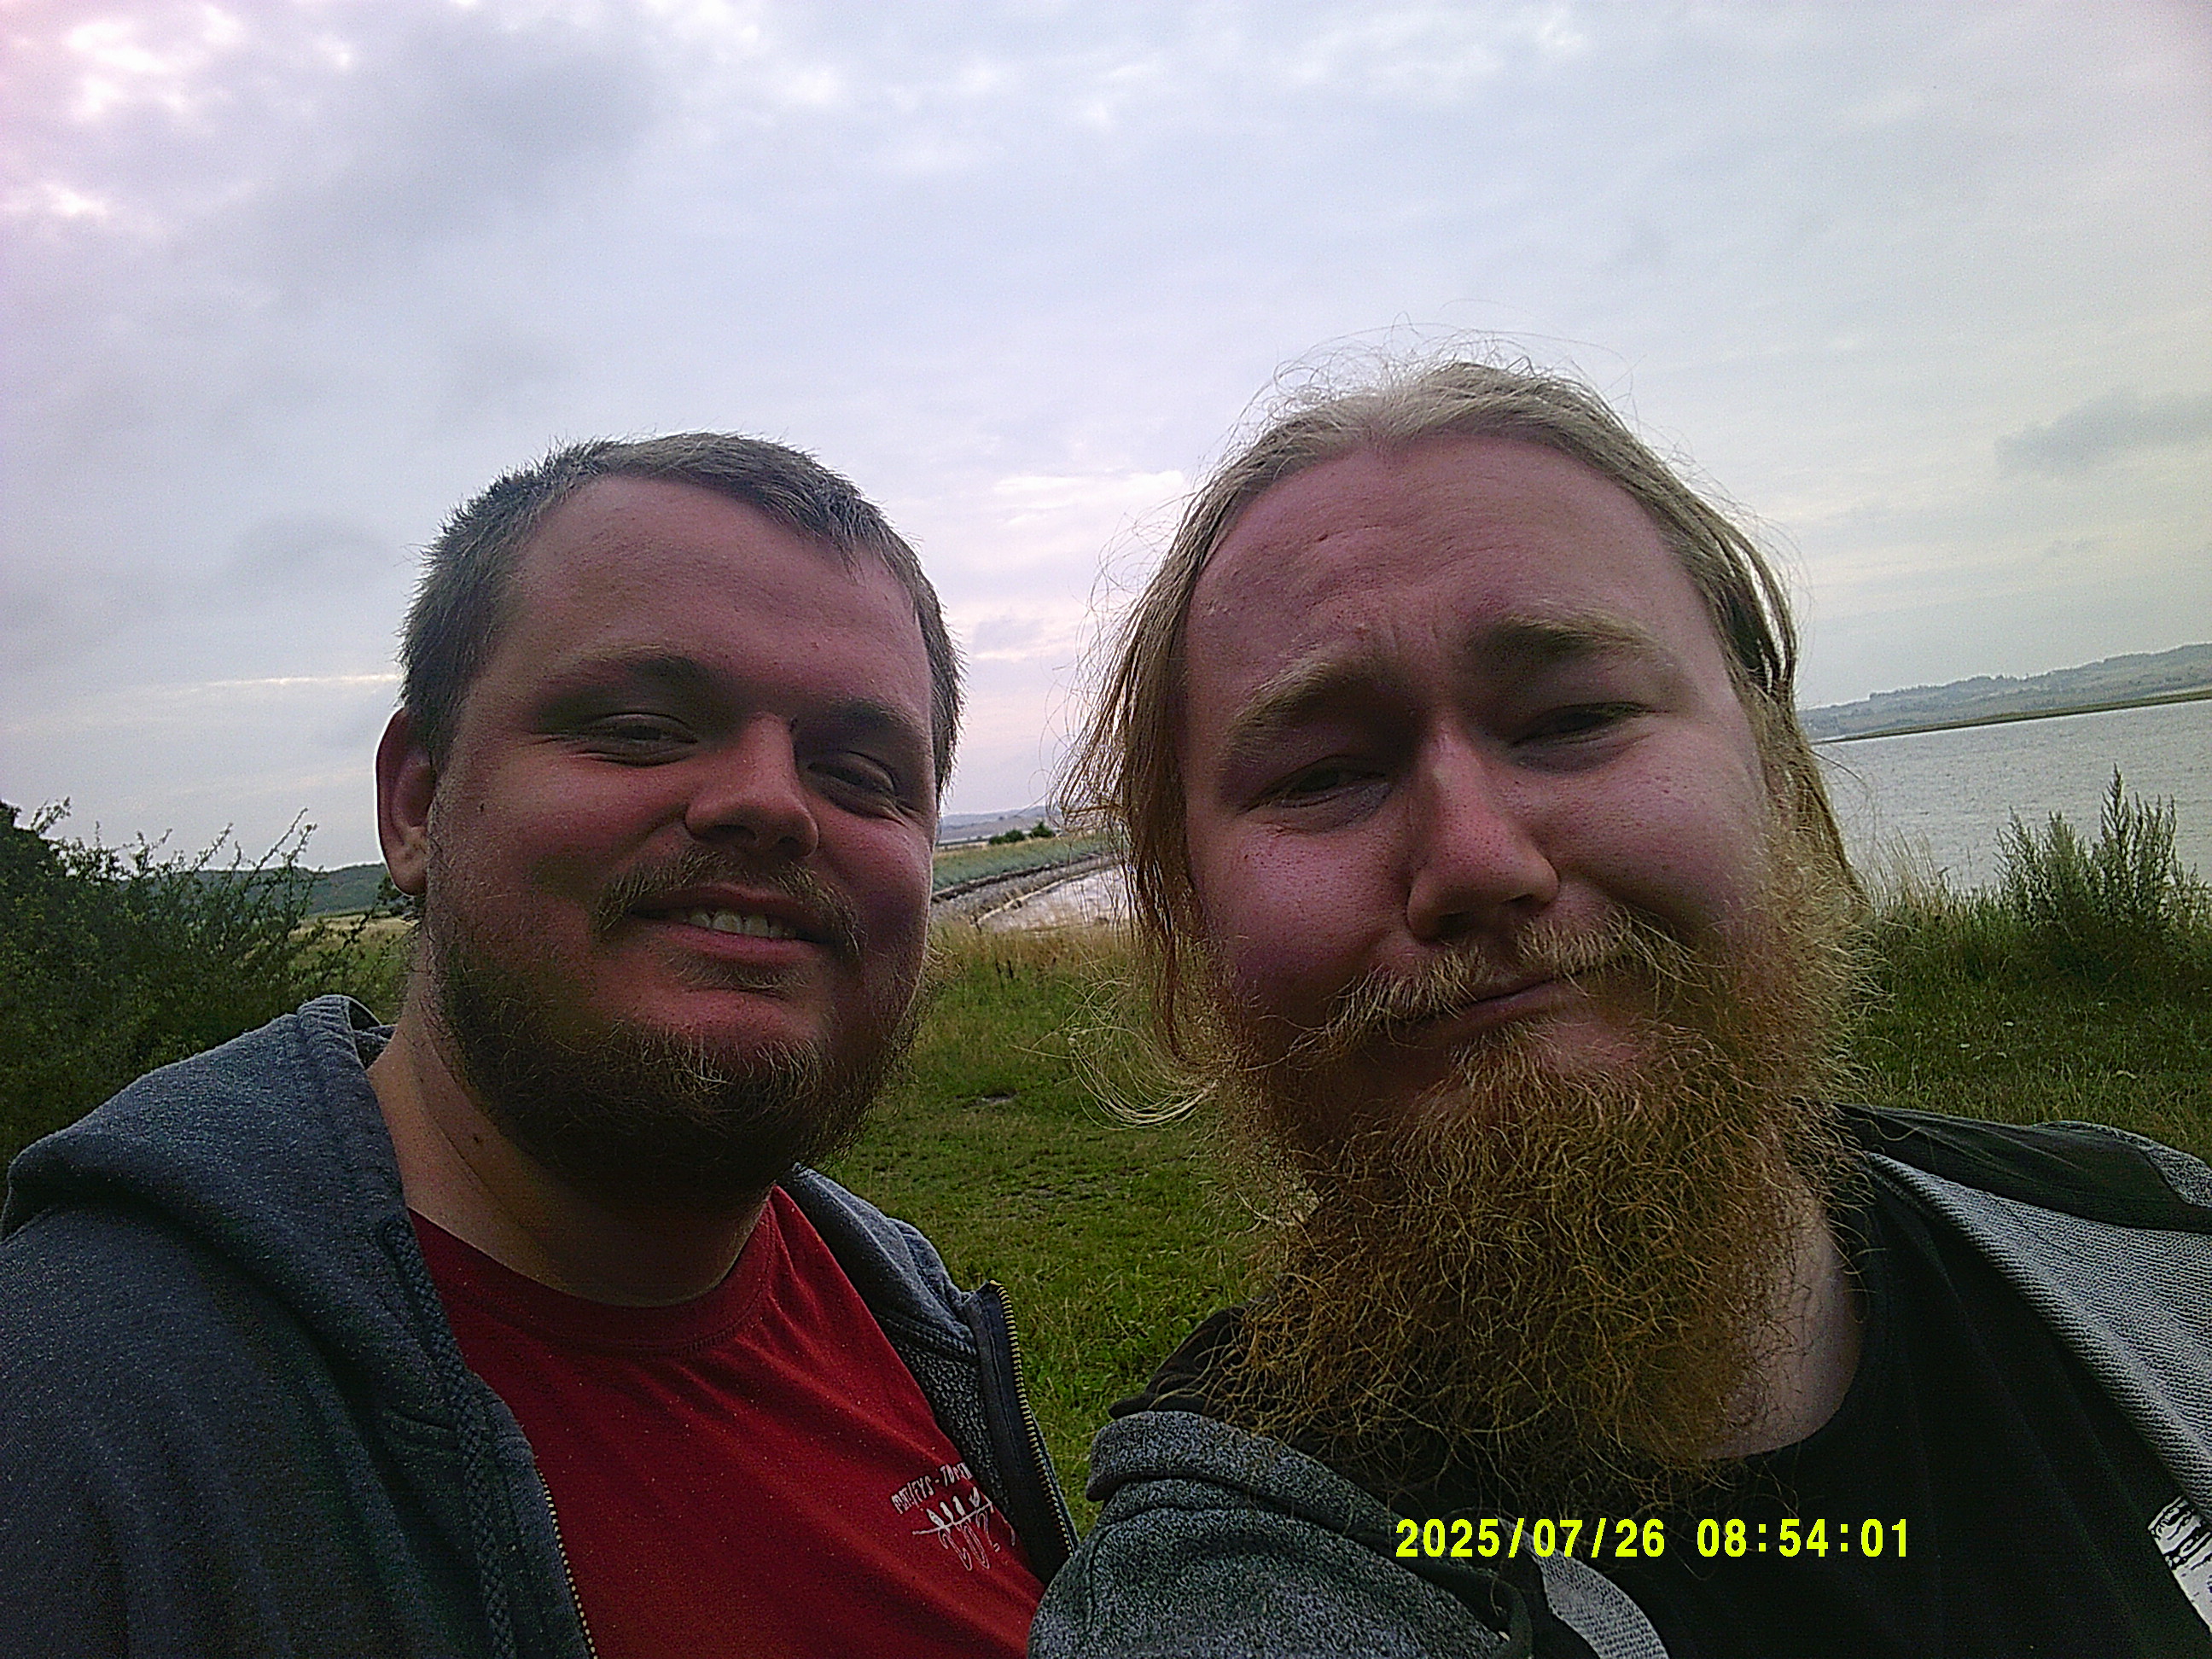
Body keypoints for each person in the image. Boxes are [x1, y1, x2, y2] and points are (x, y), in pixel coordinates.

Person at [1031, 361, 2212, 1658]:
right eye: (1321, 775)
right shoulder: (1224, 1594)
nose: (1477, 858)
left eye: (1575, 717)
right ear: (1191, 920)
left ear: (1777, 772)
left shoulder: (2158, 1245)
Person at [0, 434, 1073, 1657]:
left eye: (860, 772)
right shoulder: (75, 1422)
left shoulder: (898, 1307)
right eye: (641, 727)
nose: (772, 803)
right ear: (418, 804)